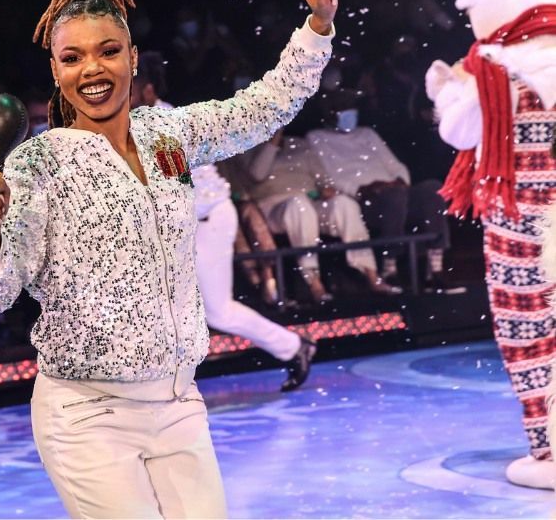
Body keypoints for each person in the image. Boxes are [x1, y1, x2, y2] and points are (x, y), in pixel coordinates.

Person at [0, 0, 337, 517]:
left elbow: (265, 107)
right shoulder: (36, 164)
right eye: (73, 57)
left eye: (108, 51)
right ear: (56, 70)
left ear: (133, 58)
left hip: (180, 402)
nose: (93, 68)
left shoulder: (169, 133)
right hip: (87, 414)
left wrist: (318, 25)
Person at [429, 0, 556, 490]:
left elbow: (459, 134)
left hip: (523, 222)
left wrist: (446, 88)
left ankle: (550, 448)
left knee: (528, 331)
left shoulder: (491, 67)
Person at [133, 49, 315, 391]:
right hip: (184, 225)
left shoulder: (161, 126)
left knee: (219, 312)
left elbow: (175, 182)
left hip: (207, 220)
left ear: (148, 91)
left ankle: (295, 347)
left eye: (130, 87)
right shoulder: (135, 125)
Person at [306, 89, 449, 287]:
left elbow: (395, 165)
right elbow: (330, 175)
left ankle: (436, 268)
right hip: (366, 198)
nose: (350, 114)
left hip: (395, 191)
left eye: (351, 109)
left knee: (432, 189)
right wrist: (364, 188)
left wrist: (401, 180)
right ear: (331, 113)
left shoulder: (367, 134)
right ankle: (390, 266)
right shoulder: (317, 138)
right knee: (394, 197)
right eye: (343, 110)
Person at [241, 130, 398, 297]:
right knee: (299, 206)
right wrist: (272, 142)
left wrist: (326, 188)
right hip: (274, 207)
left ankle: (371, 275)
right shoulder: (247, 146)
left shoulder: (299, 144)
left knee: (344, 204)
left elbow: (322, 178)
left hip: (311, 202)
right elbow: (257, 174)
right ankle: (314, 282)